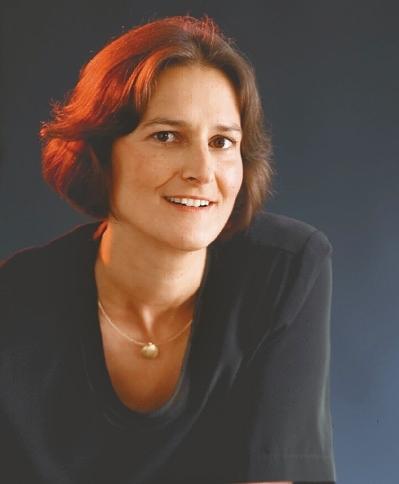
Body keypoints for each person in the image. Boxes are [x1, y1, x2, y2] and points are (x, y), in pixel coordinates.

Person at [0, 14, 336, 484]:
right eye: (166, 136)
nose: (202, 170)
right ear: (100, 153)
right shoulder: (15, 301)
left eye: (222, 142)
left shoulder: (284, 269)